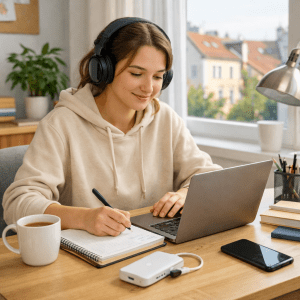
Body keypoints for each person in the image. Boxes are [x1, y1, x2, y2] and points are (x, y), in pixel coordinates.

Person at [3, 17, 222, 237]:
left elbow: (210, 177)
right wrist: (84, 218)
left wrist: (186, 194)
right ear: (103, 69)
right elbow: (18, 203)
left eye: (158, 77)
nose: (149, 88)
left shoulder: (165, 119)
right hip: (86, 258)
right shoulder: (61, 124)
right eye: (136, 73)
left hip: (156, 248)